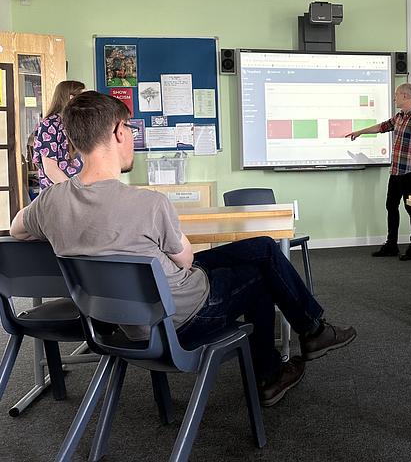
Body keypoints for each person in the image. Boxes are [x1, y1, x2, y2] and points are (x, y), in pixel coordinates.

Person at [10, 91, 357, 407]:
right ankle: (276, 368)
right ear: (118, 132)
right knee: (260, 277)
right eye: (129, 128)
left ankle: (311, 332)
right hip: (181, 318)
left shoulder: (50, 203)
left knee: (264, 248)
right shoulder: (148, 203)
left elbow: (17, 229)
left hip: (125, 321)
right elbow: (187, 259)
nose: (131, 135)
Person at [346, 83, 411, 261]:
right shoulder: (399, 117)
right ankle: (391, 244)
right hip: (395, 172)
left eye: (397, 95)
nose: (394, 98)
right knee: (391, 207)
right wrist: (360, 132)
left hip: (409, 173)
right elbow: (381, 127)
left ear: (406, 97)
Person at [31, 80, 85, 190]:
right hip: (58, 193)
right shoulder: (49, 124)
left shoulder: (78, 122)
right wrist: (75, 192)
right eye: (83, 96)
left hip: (78, 191)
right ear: (71, 98)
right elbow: (51, 169)